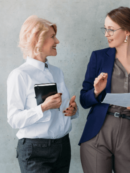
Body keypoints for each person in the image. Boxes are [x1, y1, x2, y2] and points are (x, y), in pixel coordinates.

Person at [79, 7, 130, 173]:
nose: (106, 34)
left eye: (111, 29)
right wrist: (95, 92)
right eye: (105, 29)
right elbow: (84, 100)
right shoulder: (98, 57)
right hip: (98, 134)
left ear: (127, 31)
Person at [7, 15, 78, 173]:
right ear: (37, 40)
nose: (57, 41)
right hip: (35, 152)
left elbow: (60, 113)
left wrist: (72, 111)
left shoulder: (57, 72)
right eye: (53, 37)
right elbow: (13, 119)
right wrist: (43, 108)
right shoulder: (20, 75)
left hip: (62, 147)